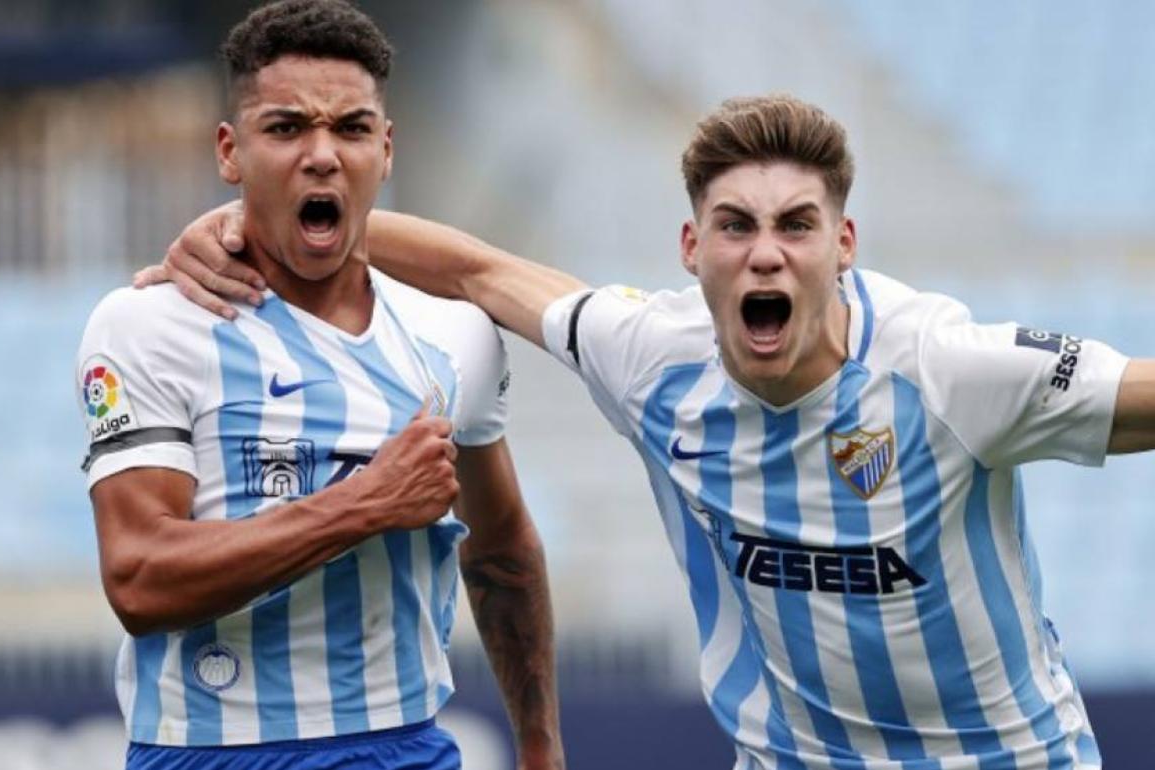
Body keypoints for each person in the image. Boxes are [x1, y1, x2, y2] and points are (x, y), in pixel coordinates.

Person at [149, 93, 1155, 769]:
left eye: (796, 226)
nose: (766, 255)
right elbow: (473, 270)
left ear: (842, 247)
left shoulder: (953, 371)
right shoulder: (649, 352)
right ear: (693, 249)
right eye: (736, 226)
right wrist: (253, 224)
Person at [78, 2, 564, 769]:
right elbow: (139, 579)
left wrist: (540, 748)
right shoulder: (149, 325)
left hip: (404, 746)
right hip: (210, 751)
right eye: (286, 128)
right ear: (230, 152)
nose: (322, 154)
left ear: (386, 148)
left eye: (350, 128)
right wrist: (364, 504)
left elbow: (501, 554)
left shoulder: (453, 333)